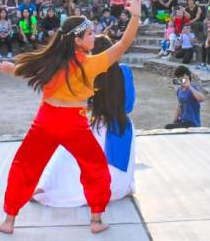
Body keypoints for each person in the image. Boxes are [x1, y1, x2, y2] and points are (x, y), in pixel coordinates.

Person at [0, 0, 141, 235]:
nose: (95, 36)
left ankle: (9, 220)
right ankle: (96, 219)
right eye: (90, 34)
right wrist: (136, 16)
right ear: (78, 40)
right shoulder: (92, 64)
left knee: (25, 166)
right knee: (95, 167)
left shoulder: (52, 62)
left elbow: (28, 71)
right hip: (73, 124)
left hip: (45, 121)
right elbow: (123, 44)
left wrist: (12, 69)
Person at [33, 36, 136, 207]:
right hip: (122, 128)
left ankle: (45, 187)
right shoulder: (124, 71)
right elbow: (129, 105)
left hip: (98, 125)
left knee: (65, 152)